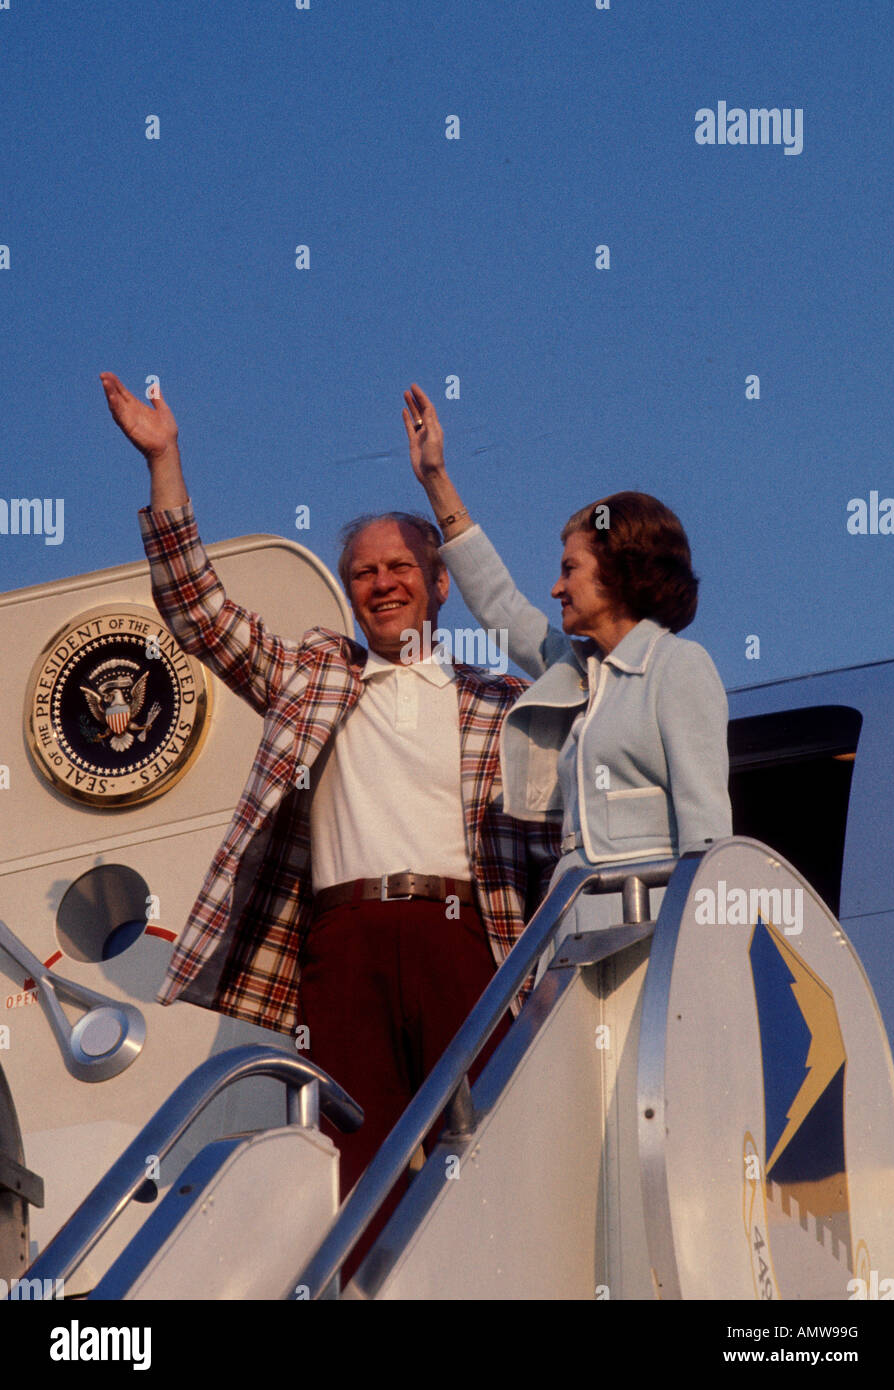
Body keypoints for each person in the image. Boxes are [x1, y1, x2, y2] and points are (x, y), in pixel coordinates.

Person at [99, 372, 559, 1236]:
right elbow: (197, 609)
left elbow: (578, 686)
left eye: (398, 569)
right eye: (363, 573)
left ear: (438, 584)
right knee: (357, 1172)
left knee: (494, 1149)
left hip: (464, 938)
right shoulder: (314, 675)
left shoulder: (502, 700)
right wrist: (165, 460)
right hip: (340, 946)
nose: (382, 584)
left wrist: (438, 483)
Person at [402, 383, 732, 960]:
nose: (555, 587)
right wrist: (436, 479)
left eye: (569, 569)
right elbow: (499, 603)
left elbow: (707, 834)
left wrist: (705, 957)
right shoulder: (575, 669)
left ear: (620, 569)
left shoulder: (678, 667)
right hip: (575, 928)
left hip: (653, 938)